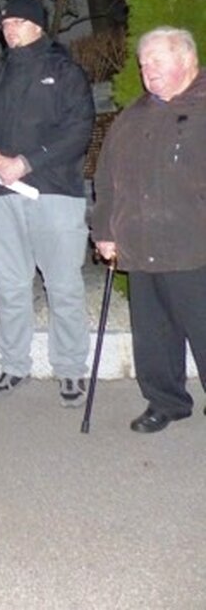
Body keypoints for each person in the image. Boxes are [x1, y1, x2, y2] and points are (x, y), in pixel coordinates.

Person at [0, 0, 95, 406]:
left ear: (36, 25)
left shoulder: (65, 72)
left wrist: (29, 161)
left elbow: (78, 130)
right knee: (10, 285)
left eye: (16, 21)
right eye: (4, 23)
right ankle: (14, 365)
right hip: (0, 194)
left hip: (53, 192)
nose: (8, 28)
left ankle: (70, 369)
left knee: (63, 285)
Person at [92, 26, 206, 433]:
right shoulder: (132, 116)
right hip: (140, 247)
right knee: (153, 336)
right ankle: (166, 401)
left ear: (187, 59)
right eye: (143, 64)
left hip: (195, 248)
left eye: (156, 60)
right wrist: (104, 230)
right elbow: (106, 179)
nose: (147, 70)